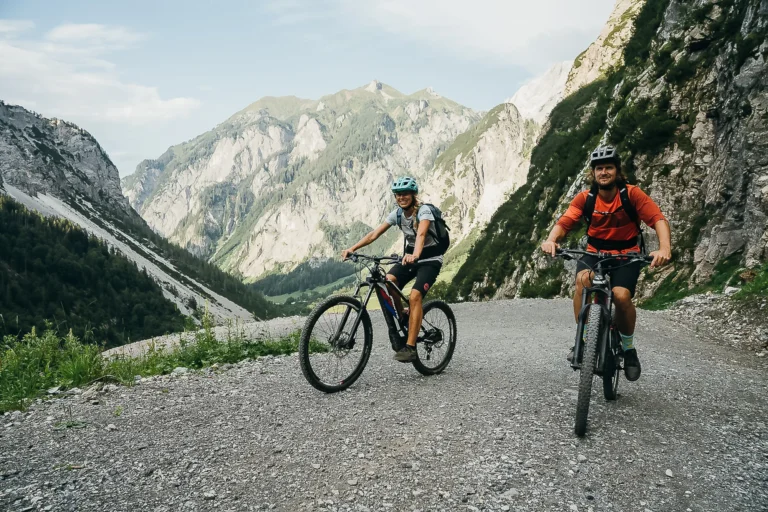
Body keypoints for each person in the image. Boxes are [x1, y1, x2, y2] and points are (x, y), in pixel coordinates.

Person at [541, 145, 672, 381]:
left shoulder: (631, 195)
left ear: (617, 171)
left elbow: (657, 219)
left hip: (627, 255)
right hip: (596, 253)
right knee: (582, 281)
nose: (604, 172)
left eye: (608, 168)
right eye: (599, 168)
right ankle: (582, 342)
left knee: (621, 296)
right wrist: (551, 240)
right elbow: (565, 223)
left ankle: (629, 349)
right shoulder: (586, 198)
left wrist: (664, 248)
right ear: (593, 173)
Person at [341, 176, 444, 362]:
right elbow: (374, 234)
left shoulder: (424, 211)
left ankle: (410, 348)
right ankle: (404, 317)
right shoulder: (397, 214)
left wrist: (415, 255)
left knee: (415, 296)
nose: (401, 197)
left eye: (405, 194)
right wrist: (353, 249)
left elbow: (421, 234)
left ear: (413, 194)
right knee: (388, 281)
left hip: (430, 259)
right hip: (410, 258)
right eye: (398, 195)